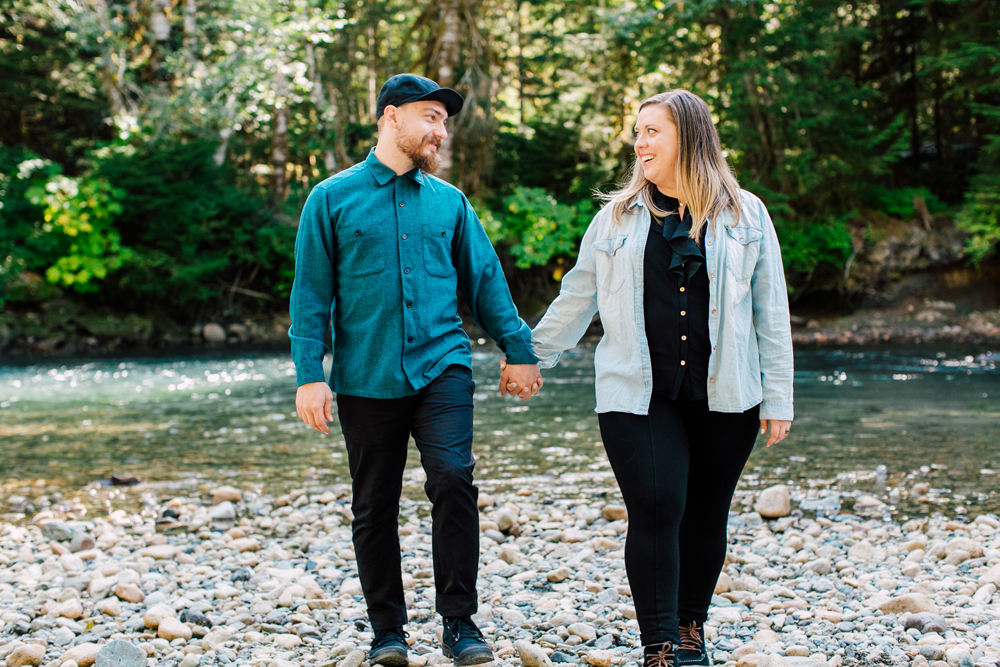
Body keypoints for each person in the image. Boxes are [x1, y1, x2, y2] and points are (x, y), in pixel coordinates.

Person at [508, 89, 794, 667]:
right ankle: (658, 643)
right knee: (658, 503)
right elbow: (577, 297)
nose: (639, 142)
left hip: (727, 392)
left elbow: (772, 311)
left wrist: (779, 396)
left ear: (688, 137)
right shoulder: (614, 217)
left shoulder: (748, 213)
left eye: (652, 131)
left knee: (708, 510)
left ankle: (692, 630)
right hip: (636, 393)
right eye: (637, 131)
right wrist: (528, 353)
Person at [289, 73, 542, 667]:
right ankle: (388, 634)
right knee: (373, 504)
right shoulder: (330, 199)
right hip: (364, 376)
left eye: (444, 122)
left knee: (453, 479)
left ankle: (460, 624)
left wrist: (520, 349)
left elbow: (485, 282)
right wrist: (309, 373)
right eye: (430, 117)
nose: (440, 131)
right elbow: (310, 296)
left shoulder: (449, 203)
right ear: (391, 117)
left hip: (442, 366)